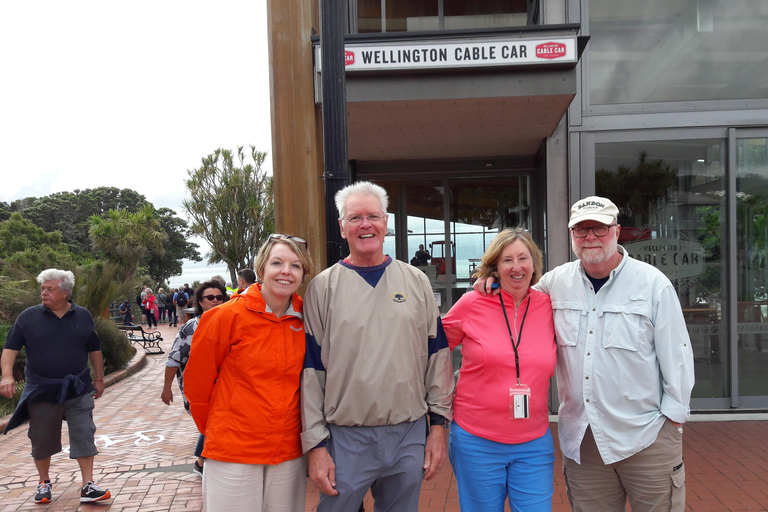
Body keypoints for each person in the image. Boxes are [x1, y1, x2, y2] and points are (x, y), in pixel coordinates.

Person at [475, 196, 695, 512]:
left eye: (599, 228)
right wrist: (492, 279)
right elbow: (516, 299)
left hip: (646, 436)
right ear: (572, 235)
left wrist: (673, 420)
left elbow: (678, 355)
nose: (590, 237)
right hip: (584, 441)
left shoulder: (652, 284)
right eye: (581, 230)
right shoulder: (554, 283)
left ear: (617, 231)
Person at [301, 181, 455, 512]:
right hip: (344, 436)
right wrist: (315, 444)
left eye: (373, 216)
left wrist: (439, 428)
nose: (365, 224)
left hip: (407, 433)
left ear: (386, 222)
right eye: (355, 217)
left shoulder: (416, 282)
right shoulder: (322, 288)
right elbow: (311, 371)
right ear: (342, 227)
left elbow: (438, 358)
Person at [184, 234, 314, 512]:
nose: (285, 271)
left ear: (304, 273)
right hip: (233, 449)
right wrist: (220, 431)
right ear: (261, 268)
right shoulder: (224, 317)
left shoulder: (310, 318)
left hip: (287, 449)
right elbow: (197, 385)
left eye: (295, 266)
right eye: (277, 262)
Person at [442, 228, 556, 511]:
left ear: (534, 263)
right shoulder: (472, 303)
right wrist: (439, 401)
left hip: (534, 441)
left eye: (523, 258)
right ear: (495, 266)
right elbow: (433, 349)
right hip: (476, 440)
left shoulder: (550, 305)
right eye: (507, 260)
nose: (517, 267)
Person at [0, 269, 111, 504]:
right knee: (41, 438)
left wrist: (98, 379)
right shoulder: (28, 317)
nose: (44, 293)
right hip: (42, 388)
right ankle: (44, 482)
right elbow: (10, 348)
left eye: (49, 289)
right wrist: (7, 376)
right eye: (42, 289)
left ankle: (88, 485)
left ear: (65, 292)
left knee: (84, 431)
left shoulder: (83, 316)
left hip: (77, 387)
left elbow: (94, 349)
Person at [160, 279, 229, 477]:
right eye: (210, 298)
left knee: (218, 424)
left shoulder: (230, 323)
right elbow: (174, 359)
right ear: (200, 302)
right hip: (198, 390)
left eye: (219, 297)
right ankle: (203, 463)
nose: (215, 301)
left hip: (224, 388)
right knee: (213, 424)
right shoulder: (191, 328)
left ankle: (203, 462)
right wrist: (167, 388)